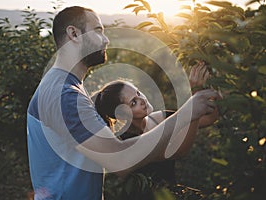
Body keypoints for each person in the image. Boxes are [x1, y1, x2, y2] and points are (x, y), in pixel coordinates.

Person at [27, 6, 221, 200]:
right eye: (98, 30)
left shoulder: (62, 87)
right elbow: (119, 159)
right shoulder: (63, 94)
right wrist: (187, 112)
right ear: (74, 34)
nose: (106, 39)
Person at [91, 62, 217, 199]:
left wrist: (208, 86)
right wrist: (194, 101)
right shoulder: (127, 142)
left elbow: (209, 119)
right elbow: (178, 151)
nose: (142, 100)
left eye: (138, 93)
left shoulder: (160, 118)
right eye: (133, 103)